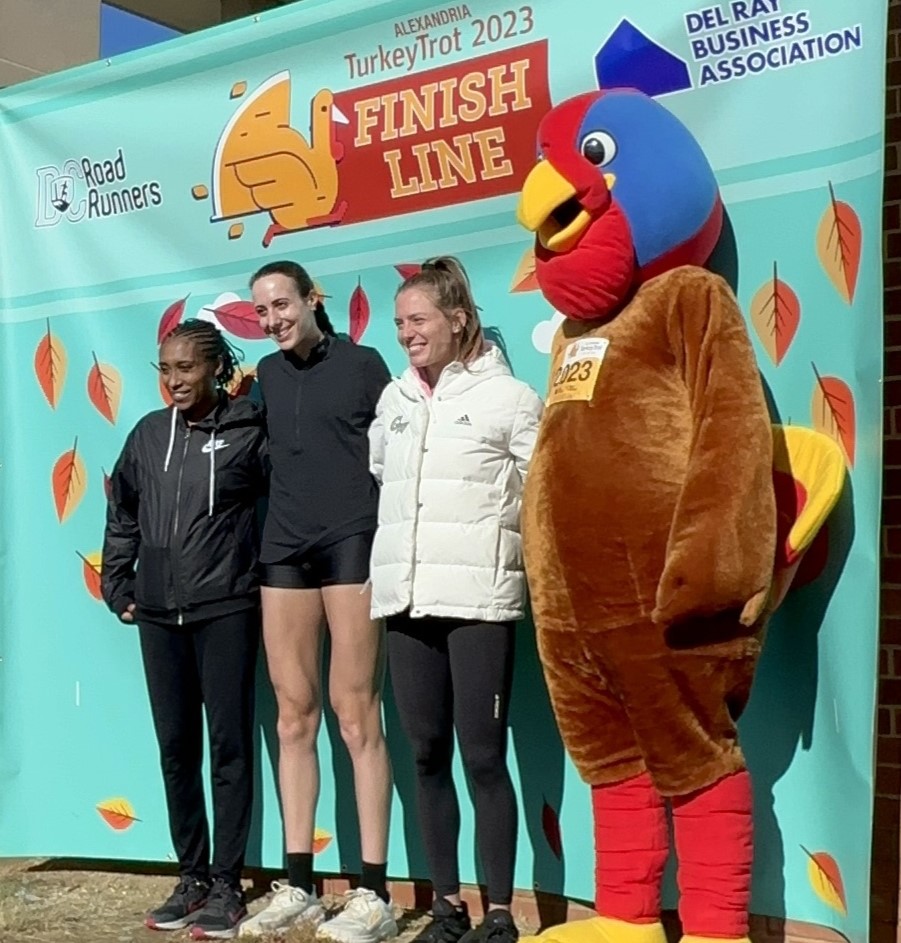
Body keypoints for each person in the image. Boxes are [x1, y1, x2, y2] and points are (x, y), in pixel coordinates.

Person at [369, 257, 543, 943]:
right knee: (424, 752)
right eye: (398, 323)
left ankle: (498, 914)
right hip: (406, 604)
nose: (405, 333)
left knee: (482, 755)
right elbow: (383, 474)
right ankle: (446, 908)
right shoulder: (394, 400)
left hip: (477, 604)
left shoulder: (511, 398)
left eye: (417, 320)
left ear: (457, 319)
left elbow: (542, 494)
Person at [239, 261, 396, 943]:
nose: (272, 319)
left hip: (351, 542)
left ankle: (375, 893)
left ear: (312, 300)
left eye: (282, 304)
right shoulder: (265, 379)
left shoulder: (365, 365)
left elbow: (402, 449)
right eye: (261, 312)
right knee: (292, 715)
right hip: (283, 547)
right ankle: (299, 884)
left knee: (354, 712)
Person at [101, 319, 268, 940]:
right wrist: (120, 583)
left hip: (225, 607)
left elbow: (284, 505)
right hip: (157, 614)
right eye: (165, 369)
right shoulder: (148, 435)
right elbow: (123, 510)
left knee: (228, 748)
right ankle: (192, 875)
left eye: (187, 368)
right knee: (177, 750)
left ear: (215, 368)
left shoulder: (249, 430)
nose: (174, 380)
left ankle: (228, 883)